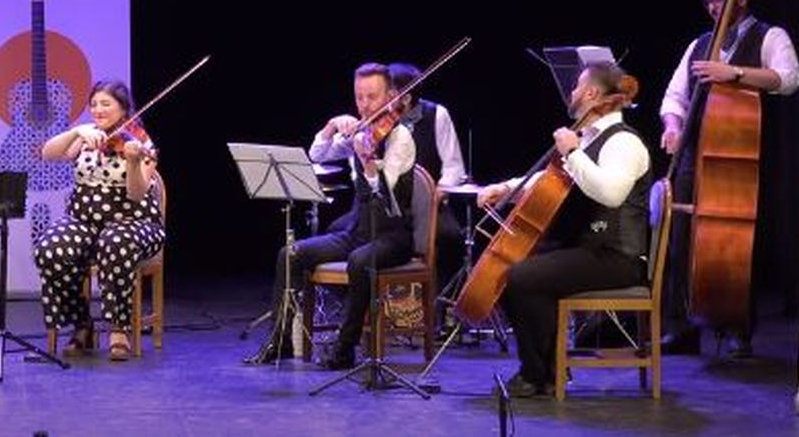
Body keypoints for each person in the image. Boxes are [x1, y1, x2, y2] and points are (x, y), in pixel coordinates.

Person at [474, 62, 650, 397]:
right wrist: (507, 188)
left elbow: (611, 194)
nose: (571, 93)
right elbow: (553, 180)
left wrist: (572, 151)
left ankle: (536, 374)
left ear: (591, 93)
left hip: (618, 256)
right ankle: (549, 370)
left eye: (576, 86)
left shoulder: (624, 143)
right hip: (588, 248)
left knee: (524, 276)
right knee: (511, 268)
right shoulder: (589, 137)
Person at [658, 0, 799, 358]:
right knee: (680, 240)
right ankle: (680, 327)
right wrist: (672, 126)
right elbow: (674, 97)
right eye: (708, 1)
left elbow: (788, 80)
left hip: (742, 155)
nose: (713, 7)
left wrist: (734, 72)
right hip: (693, 153)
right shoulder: (700, 43)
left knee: (740, 246)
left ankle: (738, 327)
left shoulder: (770, 35)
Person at [245, 63, 415, 370]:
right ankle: (280, 341)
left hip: (393, 234)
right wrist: (331, 126)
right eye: (359, 97)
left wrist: (366, 161)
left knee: (360, 261)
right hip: (358, 228)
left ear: (391, 96)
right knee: (291, 254)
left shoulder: (400, 137)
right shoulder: (363, 131)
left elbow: (385, 192)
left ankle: (344, 348)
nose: (364, 105)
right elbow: (317, 155)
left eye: (372, 97)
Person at [36, 81, 168, 362]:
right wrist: (76, 131)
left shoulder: (140, 142)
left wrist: (133, 163)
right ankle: (81, 322)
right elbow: (47, 153)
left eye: (106, 104)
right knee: (50, 246)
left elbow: (136, 194)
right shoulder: (87, 136)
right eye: (94, 104)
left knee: (115, 241)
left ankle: (118, 328)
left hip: (134, 222)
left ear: (123, 108)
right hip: (84, 221)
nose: (98, 110)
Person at [387, 62, 468, 310]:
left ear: (407, 96)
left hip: (429, 204)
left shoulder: (437, 114)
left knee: (450, 236)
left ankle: (440, 308)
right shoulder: (378, 120)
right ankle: (372, 311)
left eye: (388, 93)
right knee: (342, 230)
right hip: (388, 206)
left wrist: (437, 194)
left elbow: (454, 166)